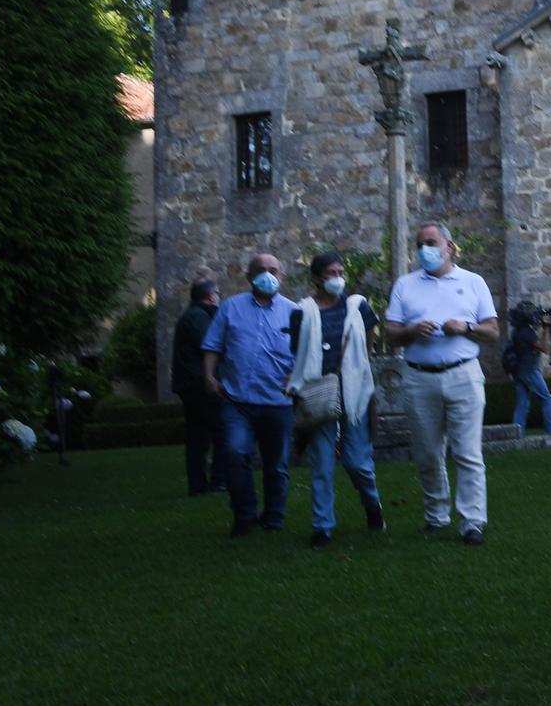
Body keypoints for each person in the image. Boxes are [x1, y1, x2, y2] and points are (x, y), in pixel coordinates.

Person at [385, 222, 499, 546]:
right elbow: (391, 333)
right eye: (420, 244)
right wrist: (411, 331)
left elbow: (492, 331)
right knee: (427, 453)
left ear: (449, 246)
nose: (425, 250)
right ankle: (436, 515)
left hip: (463, 373)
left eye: (431, 242)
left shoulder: (473, 282)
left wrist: (465, 328)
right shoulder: (405, 285)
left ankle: (472, 520)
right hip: (419, 376)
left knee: (467, 451)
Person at [286, 252, 385, 546]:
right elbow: (298, 352)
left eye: (341, 271)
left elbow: (367, 347)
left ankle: (372, 504)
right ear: (317, 278)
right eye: (331, 272)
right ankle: (322, 526)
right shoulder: (302, 312)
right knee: (323, 463)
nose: (338, 277)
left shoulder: (358, 307)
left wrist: (357, 372)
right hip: (319, 393)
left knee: (357, 462)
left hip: (354, 392)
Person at [199, 254, 295, 537]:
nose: (268, 275)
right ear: (249, 276)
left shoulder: (293, 312)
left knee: (276, 465)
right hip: (237, 400)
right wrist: (209, 376)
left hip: (278, 402)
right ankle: (244, 514)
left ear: (282, 276)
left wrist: (298, 375)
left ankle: (274, 517)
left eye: (273, 270)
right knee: (235, 454)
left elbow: (306, 353)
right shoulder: (230, 308)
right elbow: (213, 345)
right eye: (261, 270)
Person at [170, 276, 224, 496]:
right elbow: (211, 346)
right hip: (201, 386)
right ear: (211, 296)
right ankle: (218, 482)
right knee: (219, 433)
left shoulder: (192, 316)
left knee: (197, 438)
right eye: (217, 293)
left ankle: (198, 485)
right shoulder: (198, 318)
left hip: (190, 385)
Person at [505, 300, 551, 441]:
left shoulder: (518, 331)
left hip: (519, 371)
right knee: (547, 399)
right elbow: (544, 348)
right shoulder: (527, 332)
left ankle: (516, 434)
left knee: (522, 403)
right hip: (529, 370)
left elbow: (534, 348)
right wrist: (546, 327)